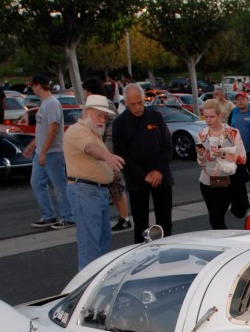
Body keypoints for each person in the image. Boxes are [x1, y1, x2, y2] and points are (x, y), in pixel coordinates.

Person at [63, 95, 125, 270]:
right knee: (90, 247)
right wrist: (108, 156)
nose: (103, 120)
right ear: (88, 112)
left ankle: (94, 284)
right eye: (100, 115)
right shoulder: (77, 131)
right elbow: (90, 148)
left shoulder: (92, 133)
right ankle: (87, 289)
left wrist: (108, 167)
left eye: (105, 117)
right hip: (85, 191)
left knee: (101, 242)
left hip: (95, 192)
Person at [113, 83, 174, 242]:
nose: (138, 107)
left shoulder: (156, 117)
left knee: (165, 221)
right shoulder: (120, 124)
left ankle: (167, 253)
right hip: (137, 180)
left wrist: (159, 171)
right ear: (125, 103)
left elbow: (167, 146)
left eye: (140, 102)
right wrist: (143, 175)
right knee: (141, 224)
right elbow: (121, 155)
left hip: (162, 177)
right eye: (133, 104)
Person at [23, 74, 74, 229]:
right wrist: (33, 145)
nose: (32, 88)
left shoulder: (52, 104)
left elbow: (53, 129)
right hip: (42, 151)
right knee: (37, 183)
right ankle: (48, 215)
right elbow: (43, 131)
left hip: (53, 152)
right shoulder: (44, 104)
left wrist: (44, 151)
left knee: (59, 186)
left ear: (39, 86)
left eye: (33, 85)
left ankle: (68, 217)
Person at [82, 77, 131, 233]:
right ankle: (122, 218)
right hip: (104, 150)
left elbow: (108, 131)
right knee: (111, 186)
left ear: (89, 91)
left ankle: (125, 218)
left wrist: (106, 154)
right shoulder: (101, 104)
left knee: (116, 185)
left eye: (84, 90)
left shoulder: (104, 105)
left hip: (108, 151)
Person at [196, 98, 246, 228]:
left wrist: (223, 154)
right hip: (207, 181)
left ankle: (228, 244)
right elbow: (201, 162)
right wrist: (201, 156)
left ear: (220, 115)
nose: (208, 120)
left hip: (226, 180)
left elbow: (242, 158)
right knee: (215, 219)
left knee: (216, 217)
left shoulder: (232, 133)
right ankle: (222, 243)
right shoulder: (202, 135)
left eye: (212, 117)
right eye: (205, 117)